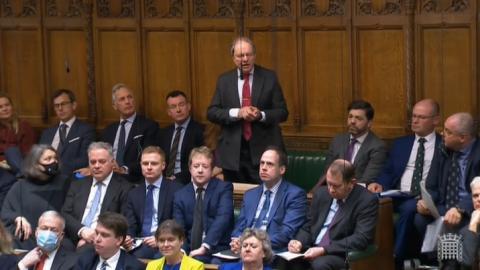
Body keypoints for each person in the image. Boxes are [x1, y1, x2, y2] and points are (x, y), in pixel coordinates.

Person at [368, 99, 442, 263]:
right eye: (414, 116)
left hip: (421, 197)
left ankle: (396, 256)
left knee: (410, 208)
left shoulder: (443, 146)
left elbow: (443, 180)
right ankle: (363, 255)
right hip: (397, 193)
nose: (415, 121)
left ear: (436, 120)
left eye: (421, 117)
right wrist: (379, 184)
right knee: (368, 200)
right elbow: (388, 171)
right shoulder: (401, 143)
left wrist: (429, 198)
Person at [207, 36, 289, 184]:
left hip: (263, 153)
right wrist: (237, 113)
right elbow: (212, 112)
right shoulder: (224, 80)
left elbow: (282, 112)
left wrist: (261, 115)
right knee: (234, 198)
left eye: (248, 55)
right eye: (240, 55)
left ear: (254, 56)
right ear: (233, 58)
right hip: (233, 155)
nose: (245, 59)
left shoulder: (269, 77)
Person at [287, 159, 379, 270]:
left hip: (338, 254)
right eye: (328, 183)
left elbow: (361, 238)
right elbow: (308, 226)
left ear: (351, 183)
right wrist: (299, 242)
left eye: (336, 186)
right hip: (311, 248)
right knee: (287, 259)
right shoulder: (321, 193)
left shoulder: (366, 200)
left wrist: (324, 250)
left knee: (319, 265)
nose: (331, 190)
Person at [230, 146, 307, 253]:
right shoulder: (250, 195)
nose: (264, 168)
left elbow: (286, 233)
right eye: (262, 163)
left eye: (269, 164)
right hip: (245, 250)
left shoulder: (295, 195)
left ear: (282, 169)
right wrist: (237, 240)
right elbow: (239, 227)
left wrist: (256, 245)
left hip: (272, 251)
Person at [415, 112, 480, 238]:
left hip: (471, 209)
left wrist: (460, 209)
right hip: (444, 206)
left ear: (462, 138)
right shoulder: (443, 149)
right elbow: (431, 185)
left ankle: (453, 257)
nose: (442, 134)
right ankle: (438, 257)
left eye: (448, 132)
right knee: (420, 218)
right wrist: (426, 202)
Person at [61, 142, 132, 248]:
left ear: (112, 163)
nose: (97, 166)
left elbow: (123, 220)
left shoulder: (124, 188)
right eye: (93, 162)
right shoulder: (78, 184)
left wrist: (97, 235)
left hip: (104, 240)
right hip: (74, 235)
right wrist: (82, 230)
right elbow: (65, 213)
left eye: (102, 161)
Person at [1, 144, 70, 250]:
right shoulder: (20, 186)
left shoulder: (65, 183)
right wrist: (17, 217)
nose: (54, 162)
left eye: (55, 158)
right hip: (25, 242)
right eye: (48, 159)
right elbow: (5, 213)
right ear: (35, 164)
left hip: (57, 241)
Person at [173, 146, 234, 263]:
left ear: (211, 169)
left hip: (217, 249)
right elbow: (179, 228)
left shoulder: (223, 188)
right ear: (190, 169)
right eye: (196, 166)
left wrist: (205, 246)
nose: (200, 170)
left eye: (205, 166)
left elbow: (222, 219)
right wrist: (183, 252)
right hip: (190, 250)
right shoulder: (180, 195)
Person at [124, 146, 183, 259]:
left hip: (167, 242)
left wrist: (160, 238)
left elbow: (178, 222)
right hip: (140, 243)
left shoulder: (176, 190)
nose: (149, 167)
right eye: (145, 164)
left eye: (154, 163)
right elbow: (131, 224)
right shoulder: (133, 193)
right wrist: (128, 237)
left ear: (163, 165)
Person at [101, 83, 159, 184]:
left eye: (130, 97)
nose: (127, 101)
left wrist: (123, 169)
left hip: (131, 178)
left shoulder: (148, 126)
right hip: (107, 175)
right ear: (115, 106)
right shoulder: (109, 130)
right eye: (122, 99)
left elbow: (149, 157)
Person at [320, 100, 386, 186]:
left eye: (358, 118)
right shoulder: (338, 140)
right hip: (332, 190)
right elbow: (328, 172)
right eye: (350, 117)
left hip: (357, 194)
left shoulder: (378, 146)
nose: (352, 121)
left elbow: (367, 180)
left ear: (369, 123)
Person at [39, 89, 95, 176]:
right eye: (56, 105)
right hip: (44, 176)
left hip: (69, 176)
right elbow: (38, 156)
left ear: (74, 105)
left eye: (63, 104)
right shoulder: (47, 133)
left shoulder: (85, 130)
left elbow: (84, 159)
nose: (60, 108)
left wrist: (54, 167)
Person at [157, 90, 204, 185]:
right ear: (169, 112)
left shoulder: (200, 131)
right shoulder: (163, 133)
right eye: (173, 107)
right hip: (163, 180)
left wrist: (176, 178)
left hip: (187, 181)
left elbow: (202, 163)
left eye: (181, 105)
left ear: (189, 107)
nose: (178, 110)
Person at [0, 92, 36, 206]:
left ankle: (23, 175)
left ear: (12, 107)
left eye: (7, 105)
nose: (5, 109)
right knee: (6, 183)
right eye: (0, 107)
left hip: (19, 163)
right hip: (3, 168)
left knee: (12, 151)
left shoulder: (23, 125)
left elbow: (28, 151)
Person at [75, 212, 145, 270]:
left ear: (119, 240)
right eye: (96, 233)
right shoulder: (84, 260)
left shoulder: (134, 267)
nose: (97, 239)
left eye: (104, 235)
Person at [461, 176, 480, 268]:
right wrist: (473, 225)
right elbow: (467, 263)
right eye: (475, 196)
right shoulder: (464, 233)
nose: (479, 199)